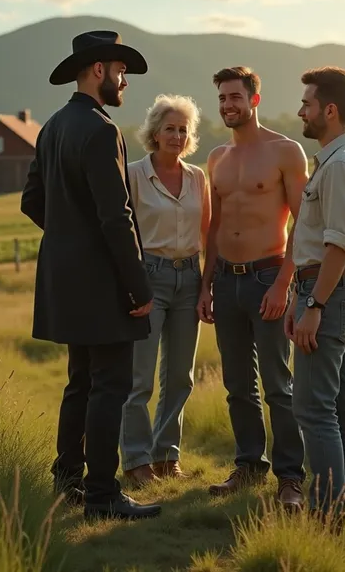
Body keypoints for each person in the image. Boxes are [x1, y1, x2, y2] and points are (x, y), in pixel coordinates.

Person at [20, 30, 161, 523]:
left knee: (80, 383)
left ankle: (67, 485)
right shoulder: (102, 130)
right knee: (110, 387)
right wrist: (138, 286)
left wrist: (67, 240)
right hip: (103, 285)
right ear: (98, 70)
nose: (124, 81)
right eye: (120, 71)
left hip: (66, 282)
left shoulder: (52, 126)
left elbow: (31, 201)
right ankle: (103, 496)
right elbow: (115, 217)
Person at [197, 66, 307, 510]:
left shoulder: (286, 151)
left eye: (235, 97)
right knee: (238, 385)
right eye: (222, 98)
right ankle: (248, 465)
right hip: (226, 280)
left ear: (254, 101)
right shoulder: (217, 158)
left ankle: (290, 477)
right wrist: (206, 285)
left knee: (278, 384)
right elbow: (214, 226)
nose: (228, 105)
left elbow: (304, 222)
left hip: (267, 276)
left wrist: (284, 283)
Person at [285, 66, 345, 524]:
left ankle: (328, 513)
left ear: (330, 110)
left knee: (313, 408)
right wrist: (302, 296)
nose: (301, 110)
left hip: (329, 293)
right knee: (341, 403)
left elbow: (337, 244)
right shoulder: (338, 159)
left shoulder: (339, 165)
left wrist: (313, 305)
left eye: (307, 103)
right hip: (328, 290)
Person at [120, 94, 210, 486]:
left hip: (189, 278)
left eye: (182, 129)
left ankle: (165, 456)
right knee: (139, 379)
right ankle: (136, 460)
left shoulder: (197, 178)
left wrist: (208, 285)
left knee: (181, 377)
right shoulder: (133, 174)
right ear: (154, 132)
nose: (176, 135)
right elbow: (124, 234)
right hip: (148, 276)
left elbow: (208, 235)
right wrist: (133, 286)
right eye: (169, 128)